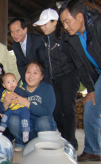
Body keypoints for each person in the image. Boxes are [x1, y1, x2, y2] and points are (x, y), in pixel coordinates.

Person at [59, 0, 101, 162]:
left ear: (79, 17)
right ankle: (93, 150)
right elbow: (80, 65)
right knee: (91, 108)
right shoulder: (72, 37)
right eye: (62, 22)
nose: (65, 26)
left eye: (66, 21)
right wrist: (91, 89)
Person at [33, 8, 80, 150]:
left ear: (55, 22)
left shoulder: (65, 37)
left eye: (46, 24)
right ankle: (64, 140)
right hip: (54, 80)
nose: (43, 27)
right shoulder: (45, 40)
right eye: (41, 25)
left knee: (68, 110)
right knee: (56, 112)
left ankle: (71, 143)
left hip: (69, 77)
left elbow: (75, 58)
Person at [6, 60, 57, 152]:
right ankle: (21, 143)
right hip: (25, 128)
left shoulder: (47, 88)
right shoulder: (20, 89)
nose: (31, 75)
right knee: (13, 118)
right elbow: (7, 110)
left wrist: (26, 103)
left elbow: (47, 112)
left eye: (35, 73)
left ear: (42, 76)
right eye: (28, 72)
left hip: (41, 128)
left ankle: (45, 144)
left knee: (43, 121)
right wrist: (5, 103)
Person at [8, 18, 50, 83]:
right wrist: (25, 83)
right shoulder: (15, 45)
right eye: (12, 32)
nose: (15, 35)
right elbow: (21, 65)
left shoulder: (38, 40)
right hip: (30, 81)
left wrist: (45, 84)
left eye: (17, 31)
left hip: (43, 79)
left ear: (25, 29)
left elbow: (45, 64)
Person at [0, 73, 30, 143]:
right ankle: (3, 126)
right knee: (5, 115)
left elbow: (25, 94)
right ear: (4, 85)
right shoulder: (5, 93)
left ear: (16, 81)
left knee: (25, 118)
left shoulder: (20, 89)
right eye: (8, 82)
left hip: (22, 109)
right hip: (11, 109)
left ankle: (26, 133)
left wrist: (16, 89)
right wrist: (0, 112)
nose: (11, 84)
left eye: (13, 81)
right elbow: (1, 102)